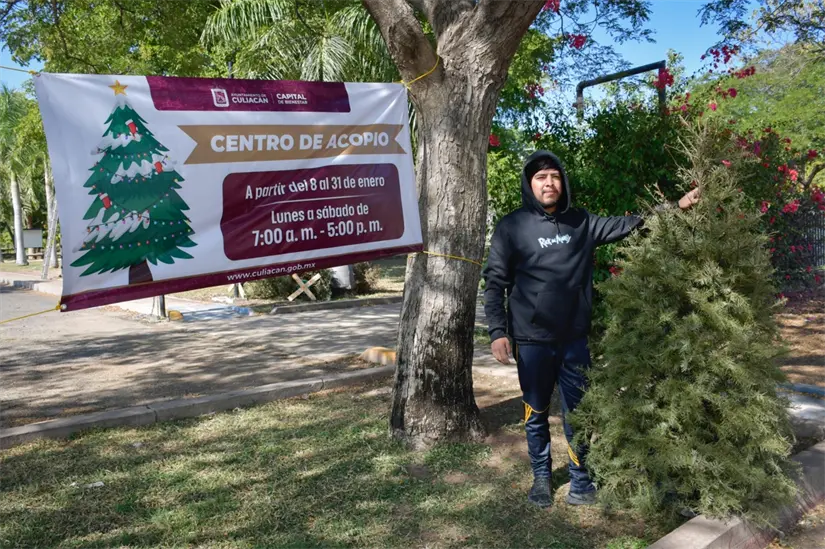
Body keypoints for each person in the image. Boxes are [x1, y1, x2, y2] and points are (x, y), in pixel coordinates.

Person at [482, 150, 700, 509]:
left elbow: (628, 224)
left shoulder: (581, 222)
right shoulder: (511, 227)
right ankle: (541, 478)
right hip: (532, 339)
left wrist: (676, 206)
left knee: (579, 411)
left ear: (562, 182)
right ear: (530, 184)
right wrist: (497, 331)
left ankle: (581, 479)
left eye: (554, 176)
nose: (548, 183)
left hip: (574, 339)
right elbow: (495, 283)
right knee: (535, 412)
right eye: (540, 178)